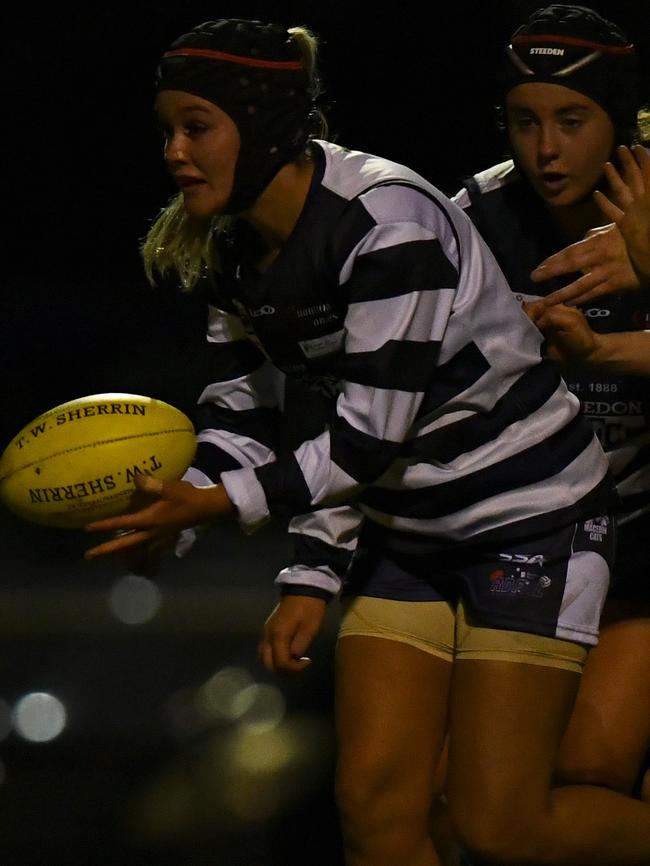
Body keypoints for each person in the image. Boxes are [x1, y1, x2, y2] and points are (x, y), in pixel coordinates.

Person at [82, 17, 650, 866]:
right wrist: (205, 521)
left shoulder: (390, 224)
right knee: (381, 810)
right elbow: (272, 413)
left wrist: (220, 510)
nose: (173, 152)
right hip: (410, 528)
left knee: (520, 810)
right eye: (526, 120)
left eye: (195, 128)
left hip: (544, 521)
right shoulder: (246, 245)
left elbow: (360, 435)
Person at [451, 3, 650, 814]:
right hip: (528, 534)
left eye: (572, 119)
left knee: (591, 768)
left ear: (622, 118)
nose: (545, 149)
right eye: (524, 120)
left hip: (642, 534)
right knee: (463, 793)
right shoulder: (468, 223)